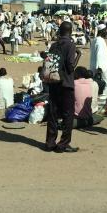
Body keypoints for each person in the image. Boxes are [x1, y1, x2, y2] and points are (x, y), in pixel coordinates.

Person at [44, 21, 81, 152]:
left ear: (60, 31)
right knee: (68, 115)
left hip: (54, 83)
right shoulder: (70, 45)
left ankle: (50, 143)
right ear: (70, 32)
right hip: (66, 84)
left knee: (53, 114)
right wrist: (78, 55)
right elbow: (71, 67)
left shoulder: (54, 45)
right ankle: (63, 144)